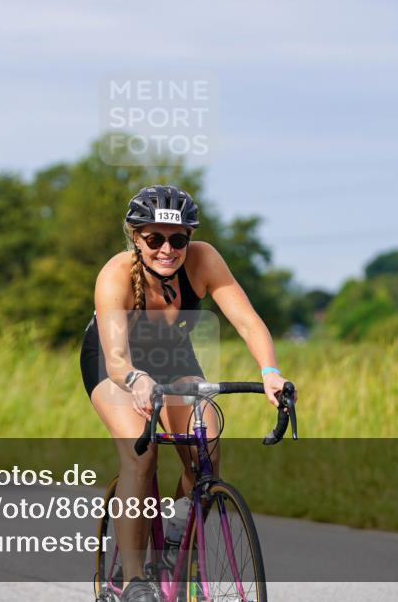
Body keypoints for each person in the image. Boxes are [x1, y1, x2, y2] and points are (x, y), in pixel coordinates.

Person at [80, 184, 296, 602]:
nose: (167, 249)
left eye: (177, 239)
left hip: (173, 355)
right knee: (142, 453)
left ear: (189, 238)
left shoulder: (204, 259)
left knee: (206, 450)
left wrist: (271, 372)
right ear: (135, 237)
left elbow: (247, 321)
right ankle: (134, 580)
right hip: (114, 363)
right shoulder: (115, 275)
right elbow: (118, 358)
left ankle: (175, 537)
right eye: (154, 239)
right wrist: (136, 381)